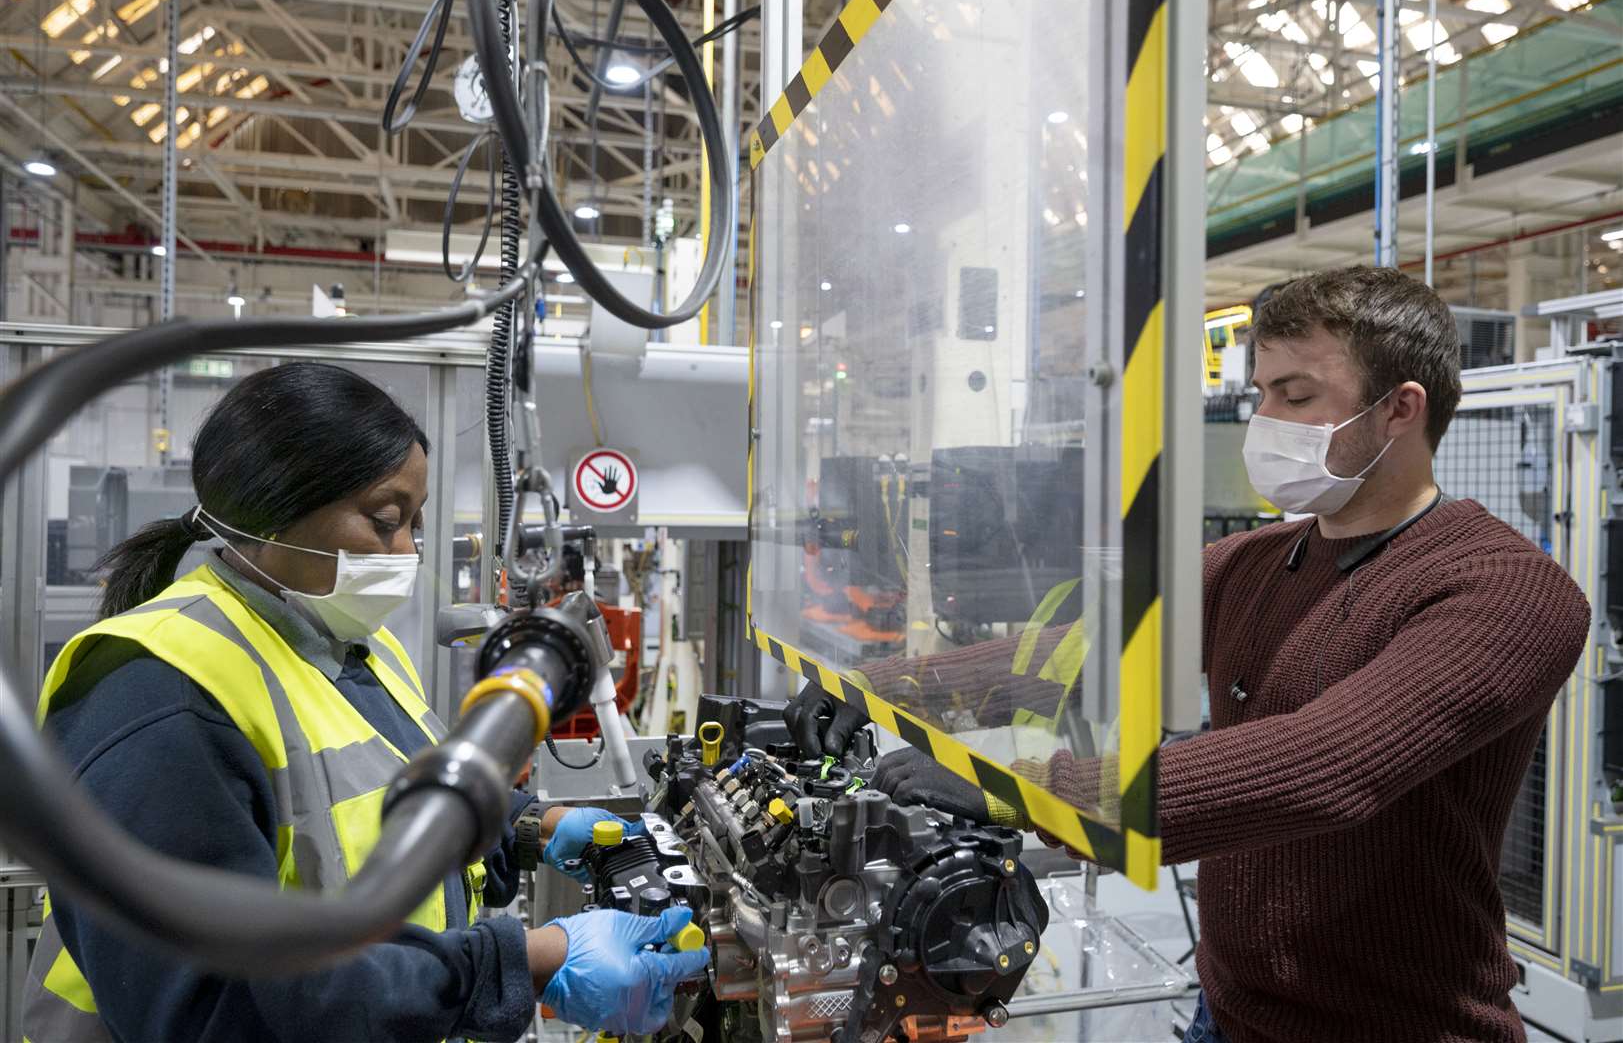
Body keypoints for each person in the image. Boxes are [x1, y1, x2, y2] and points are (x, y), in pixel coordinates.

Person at [785, 266, 1591, 1043]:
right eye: (1261, 393)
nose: (1262, 419)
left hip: (1398, 1025)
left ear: (1398, 410)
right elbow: (1069, 655)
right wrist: (875, 686)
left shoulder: (1507, 593)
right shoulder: (1249, 562)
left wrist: (1021, 792)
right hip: (1229, 1007)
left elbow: (1327, 766)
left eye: (1296, 396)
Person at [24, 363, 706, 1043]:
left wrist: (528, 827)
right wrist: (524, 963)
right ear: (271, 508)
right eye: (385, 521)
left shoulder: (348, 644)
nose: (407, 550)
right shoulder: (160, 696)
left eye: (415, 521)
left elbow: (376, 808)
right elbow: (217, 1009)